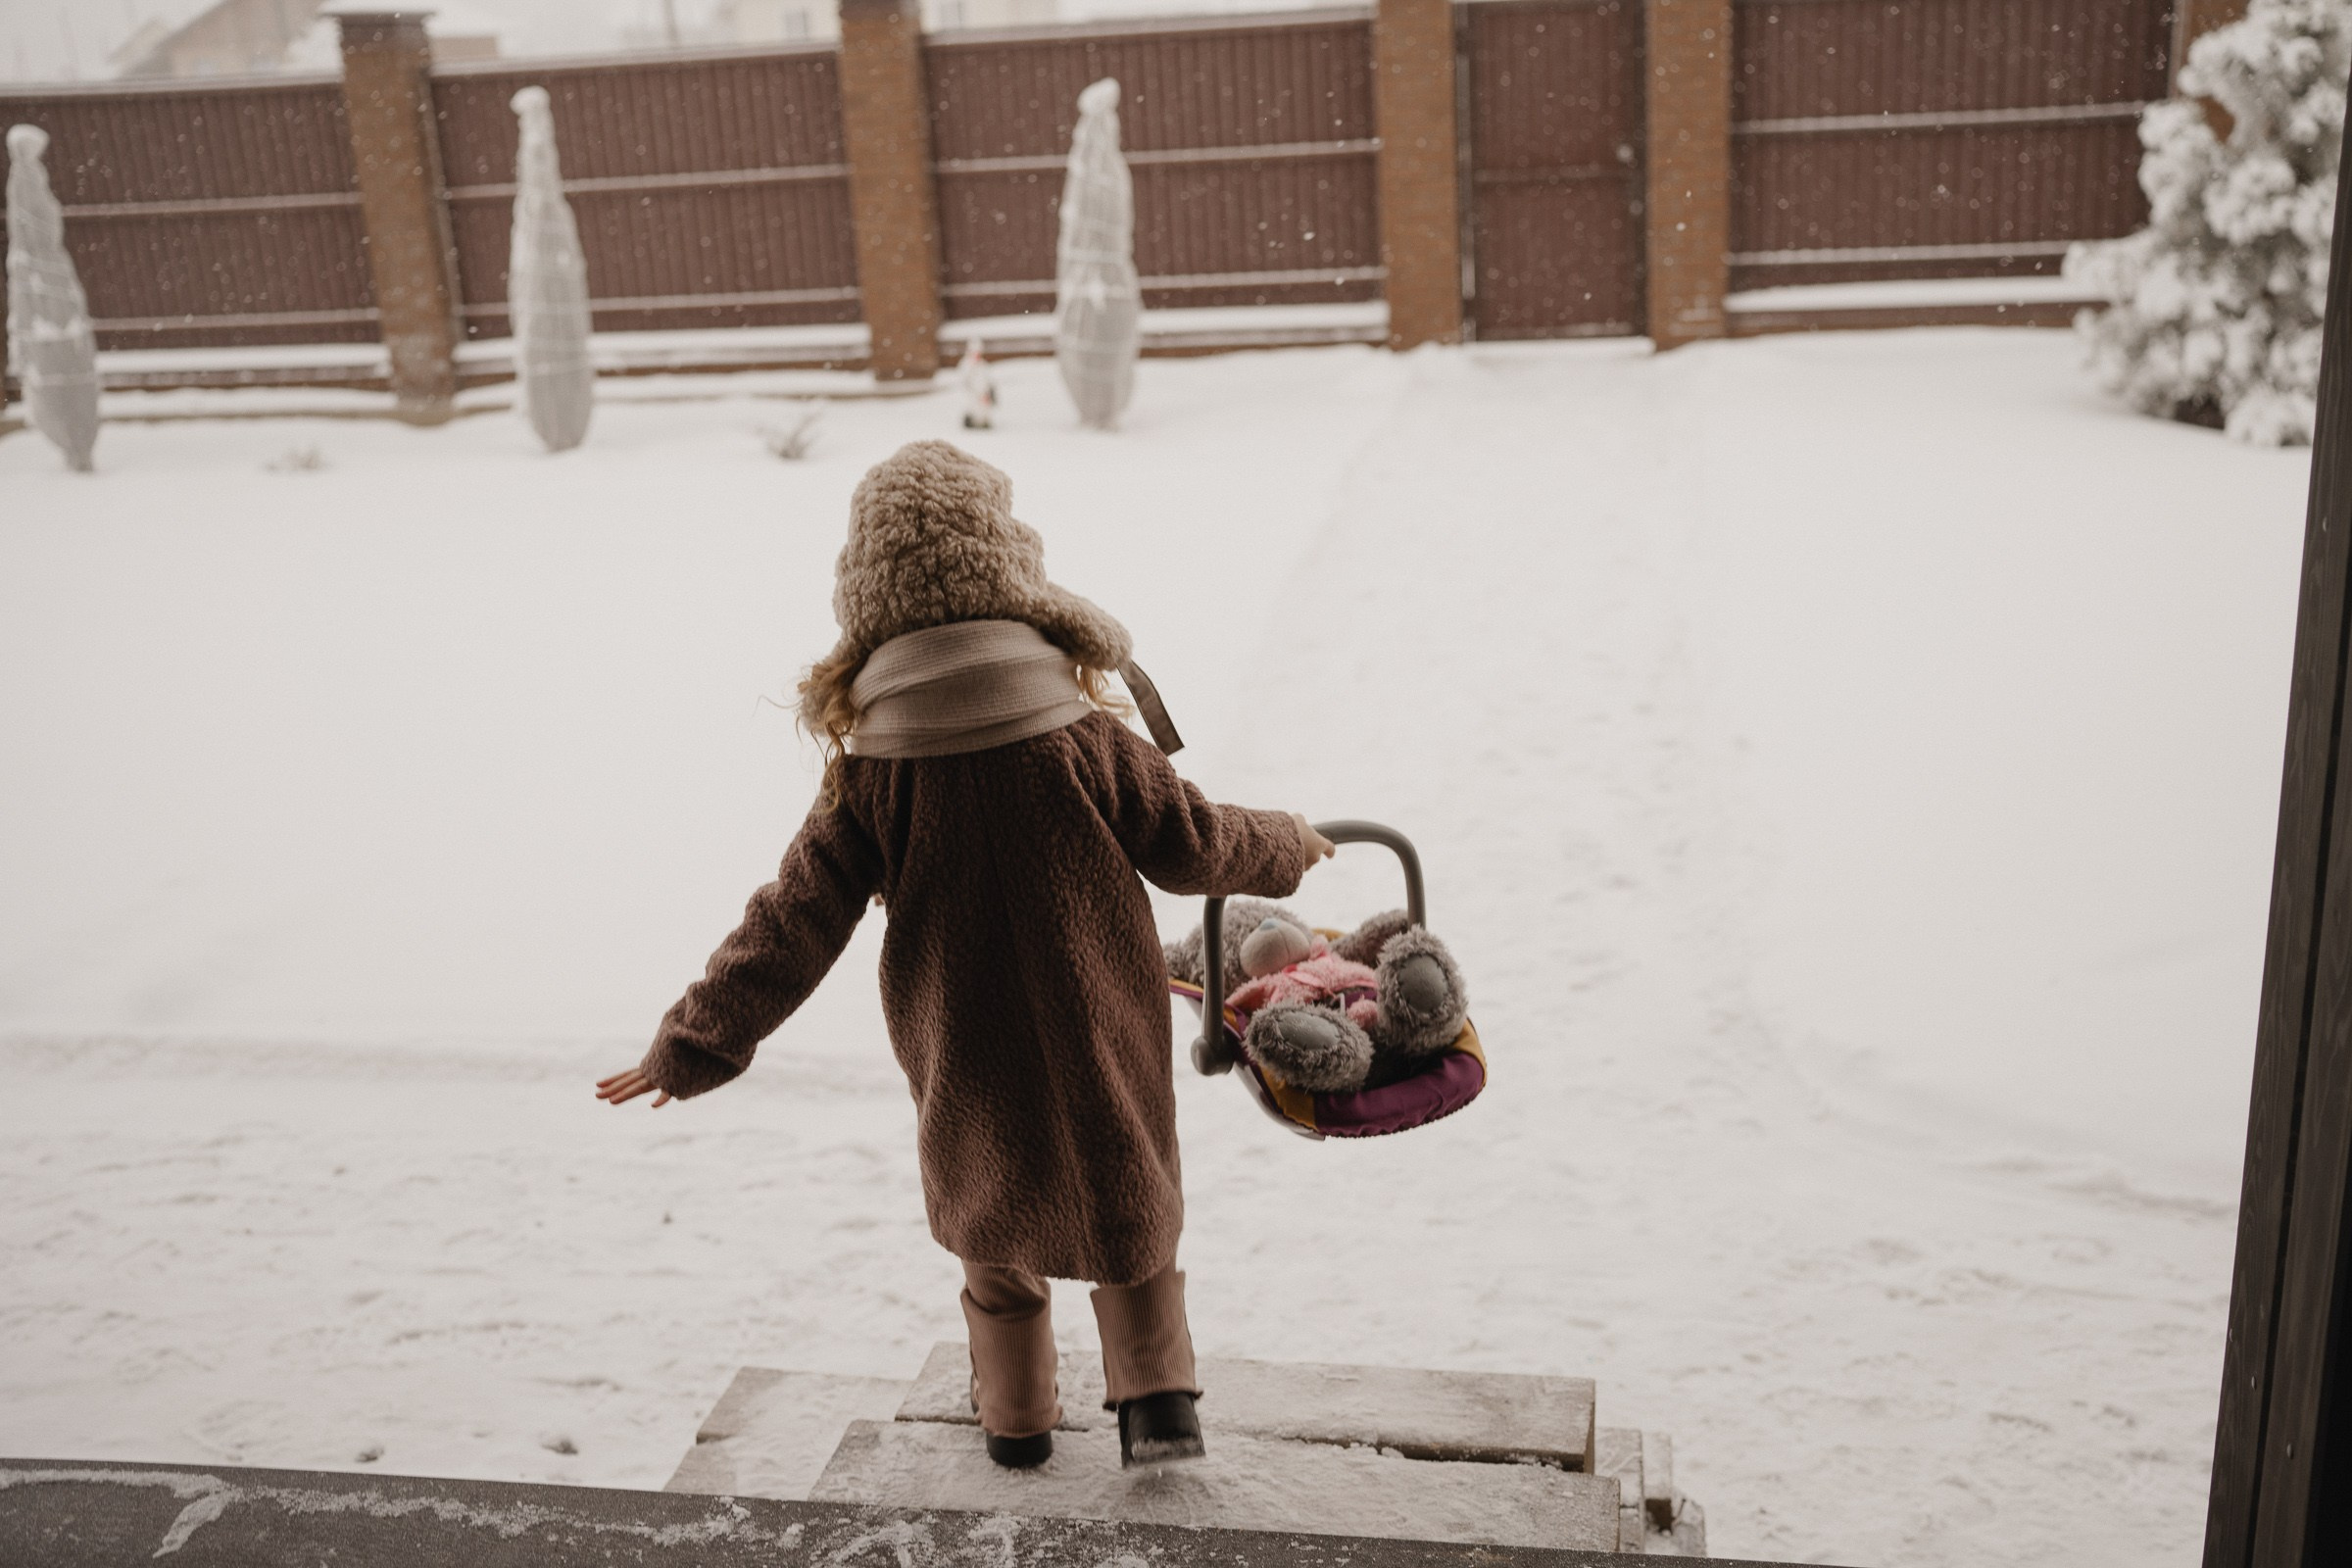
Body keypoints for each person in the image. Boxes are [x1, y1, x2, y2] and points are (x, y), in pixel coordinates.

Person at [596, 439, 1333, 1470]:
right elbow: (1194, 844)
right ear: (1009, 569)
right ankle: (1158, 1401)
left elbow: (792, 922)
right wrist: (1288, 840)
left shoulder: (869, 776)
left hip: (960, 1039)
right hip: (1099, 1022)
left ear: (869, 598)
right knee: (1127, 1195)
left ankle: (1017, 1417)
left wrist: (697, 1040)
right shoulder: (1082, 738)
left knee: (992, 1211)